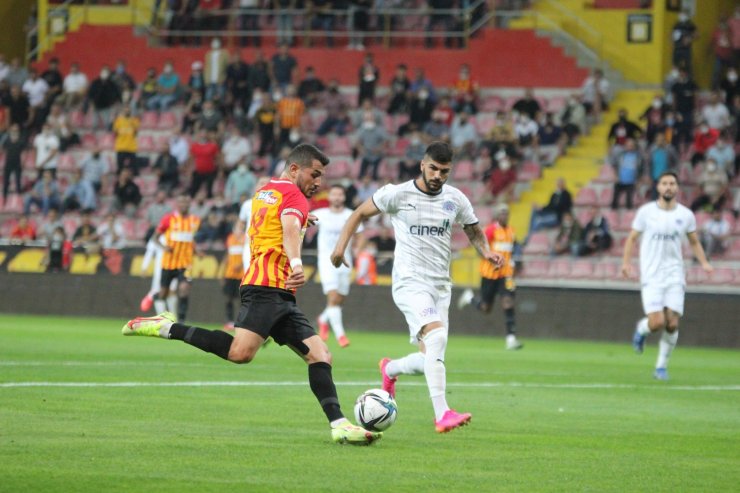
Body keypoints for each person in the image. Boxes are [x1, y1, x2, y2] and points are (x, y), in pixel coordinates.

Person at [122, 144, 381, 445]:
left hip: (277, 291)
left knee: (320, 354)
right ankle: (166, 326)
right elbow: (287, 231)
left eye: (322, 176)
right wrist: (297, 262)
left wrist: (299, 222)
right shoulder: (294, 196)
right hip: (266, 288)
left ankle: (339, 425)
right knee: (239, 353)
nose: (319, 182)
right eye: (315, 174)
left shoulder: (265, 191)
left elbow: (274, 225)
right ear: (295, 169)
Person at [330, 141, 504, 433]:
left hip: (440, 286)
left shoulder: (456, 199)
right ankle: (442, 414)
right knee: (436, 338)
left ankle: (390, 369)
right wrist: (339, 249)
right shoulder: (397, 194)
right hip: (410, 282)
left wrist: (486, 252)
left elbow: (473, 228)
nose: (437, 175)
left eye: (444, 171)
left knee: (430, 358)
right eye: (433, 168)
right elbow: (358, 213)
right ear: (423, 165)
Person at [622, 171, 713, 381]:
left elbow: (694, 242)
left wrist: (705, 262)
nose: (668, 187)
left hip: (674, 275)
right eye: (664, 183)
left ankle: (661, 367)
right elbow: (631, 239)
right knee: (657, 322)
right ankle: (642, 329)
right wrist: (626, 263)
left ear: (677, 188)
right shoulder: (646, 212)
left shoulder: (686, 215)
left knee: (672, 323)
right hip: (652, 275)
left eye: (672, 183)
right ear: (658, 187)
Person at [457, 204, 523, 350]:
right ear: (497, 215)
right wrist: (489, 259)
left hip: (506, 274)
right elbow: (480, 246)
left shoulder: (512, 231)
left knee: (508, 302)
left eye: (507, 213)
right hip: (489, 273)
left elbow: (514, 249)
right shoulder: (491, 230)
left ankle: (511, 338)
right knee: (486, 308)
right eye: (502, 213)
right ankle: (470, 298)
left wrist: (517, 264)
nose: (505, 216)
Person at [313, 185, 361, 348]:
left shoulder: (350, 215)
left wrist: (357, 249)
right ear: (329, 197)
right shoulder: (321, 215)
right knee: (333, 297)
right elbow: (302, 223)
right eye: (333, 194)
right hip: (326, 261)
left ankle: (323, 319)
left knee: (339, 300)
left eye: (340, 194)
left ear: (344, 197)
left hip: (345, 261)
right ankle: (341, 336)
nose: (337, 197)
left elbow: (360, 234)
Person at [222, 220, 247, 330]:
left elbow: (248, 254)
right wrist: (222, 272)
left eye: (242, 227)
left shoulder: (246, 239)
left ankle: (241, 321)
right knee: (228, 298)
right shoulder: (230, 238)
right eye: (238, 226)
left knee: (241, 299)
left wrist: (241, 264)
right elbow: (228, 254)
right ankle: (229, 321)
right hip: (229, 274)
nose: (239, 229)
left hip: (242, 275)